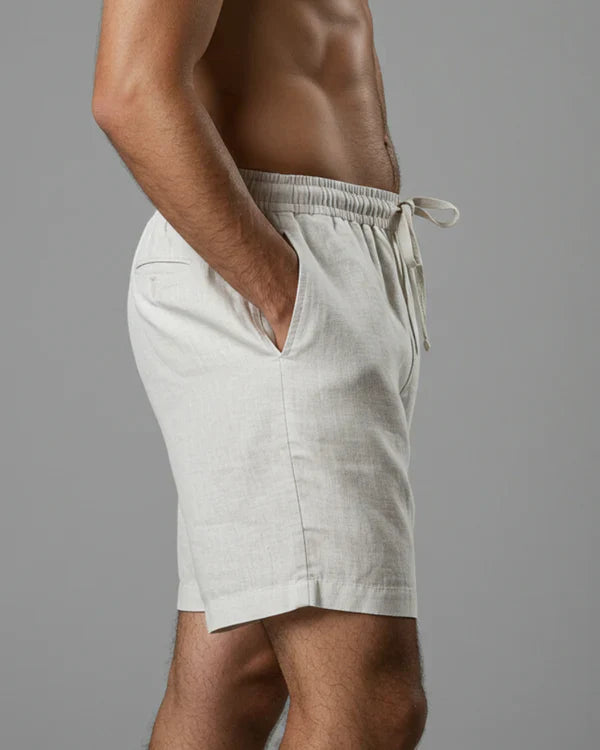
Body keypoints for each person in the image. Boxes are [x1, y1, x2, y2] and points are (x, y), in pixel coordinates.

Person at [92, 1, 459, 747]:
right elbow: (130, 90)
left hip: (338, 259)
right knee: (371, 708)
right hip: (273, 263)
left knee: (238, 674)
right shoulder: (282, 290)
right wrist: (282, 293)